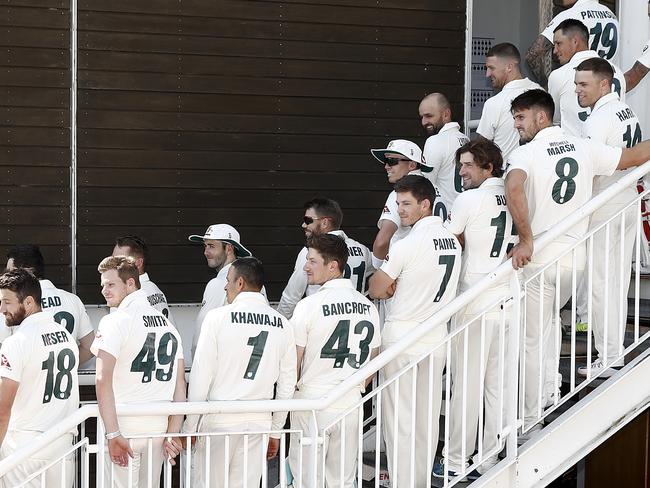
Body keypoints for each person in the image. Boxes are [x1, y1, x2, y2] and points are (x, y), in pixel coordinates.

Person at [505, 89, 650, 430]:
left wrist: (525, 239)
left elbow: (513, 189)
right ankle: (548, 391)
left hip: (540, 260)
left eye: (521, 118)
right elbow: (632, 156)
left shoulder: (526, 153)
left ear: (542, 117)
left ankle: (530, 418)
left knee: (531, 339)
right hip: (574, 260)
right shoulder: (581, 146)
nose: (516, 125)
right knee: (550, 324)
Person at [369, 175, 462, 487]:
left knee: (400, 423)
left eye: (406, 204)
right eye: (397, 204)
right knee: (426, 420)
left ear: (426, 204)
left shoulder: (407, 243)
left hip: (403, 339)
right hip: (435, 339)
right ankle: (419, 482)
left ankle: (403, 483)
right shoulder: (452, 239)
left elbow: (377, 288)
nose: (401, 210)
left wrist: (392, 283)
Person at [434, 140, 515, 479]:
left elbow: (448, 245)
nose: (461, 172)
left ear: (488, 167)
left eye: (468, 165)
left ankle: (454, 460)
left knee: (465, 386)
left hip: (476, 298)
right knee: (497, 385)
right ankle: (493, 454)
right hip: (508, 296)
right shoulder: (513, 194)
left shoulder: (469, 199)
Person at [183, 257, 296, 488]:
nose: (225, 286)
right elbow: (287, 383)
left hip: (220, 419)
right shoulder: (282, 323)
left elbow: (200, 377)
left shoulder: (217, 317)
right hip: (259, 421)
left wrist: (190, 426)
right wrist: (275, 431)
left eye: (228, 280)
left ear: (240, 283)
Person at [288, 234, 380, 487]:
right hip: (350, 402)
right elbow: (374, 359)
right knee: (343, 480)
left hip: (312, 402)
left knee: (307, 480)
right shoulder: (368, 306)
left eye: (312, 261)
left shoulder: (308, 305)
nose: (306, 266)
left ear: (333, 265)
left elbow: (293, 364)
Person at [573, 58, 642, 377]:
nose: (577, 90)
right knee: (617, 281)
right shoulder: (626, 110)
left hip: (607, 201)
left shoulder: (599, 118)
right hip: (628, 198)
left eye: (584, 84)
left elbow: (593, 167)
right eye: (576, 84)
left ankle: (608, 355)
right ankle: (614, 351)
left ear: (605, 84)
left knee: (602, 283)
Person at [92, 256, 185, 487]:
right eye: (103, 285)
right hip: (158, 430)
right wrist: (172, 433)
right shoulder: (170, 327)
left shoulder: (115, 321)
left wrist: (112, 434)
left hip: (124, 428)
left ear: (131, 283)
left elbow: (102, 378)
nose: (104, 290)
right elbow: (180, 385)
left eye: (111, 284)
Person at [0, 268, 79, 487]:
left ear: (28, 303)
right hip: (62, 443)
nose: (1, 309)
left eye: (7, 302)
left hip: (24, 446)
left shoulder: (16, 342)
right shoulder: (66, 337)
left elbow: (2, 410)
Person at [277, 198, 373, 319]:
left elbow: (291, 297)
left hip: (323, 319)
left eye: (308, 220)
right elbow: (376, 274)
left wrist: (280, 324)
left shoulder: (311, 251)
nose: (303, 225)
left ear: (325, 223)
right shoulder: (362, 250)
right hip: (356, 318)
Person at [6, 244, 95, 365]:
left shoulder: (12, 304)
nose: (6, 277)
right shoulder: (73, 300)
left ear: (27, 272)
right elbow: (90, 347)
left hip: (27, 381)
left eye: (10, 272)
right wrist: (64, 368)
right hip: (65, 381)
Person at [370, 139, 447, 267]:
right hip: (437, 265)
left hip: (409, 268)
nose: (386, 166)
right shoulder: (436, 189)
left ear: (412, 165)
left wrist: (378, 269)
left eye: (392, 161)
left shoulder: (401, 193)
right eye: (386, 161)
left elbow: (382, 242)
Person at [548, 19, 626, 138]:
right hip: (614, 147)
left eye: (558, 44)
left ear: (575, 42)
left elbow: (554, 120)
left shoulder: (558, 75)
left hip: (581, 151)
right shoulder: (617, 71)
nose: (555, 51)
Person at [188, 223, 252, 356]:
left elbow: (201, 334)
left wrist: (196, 367)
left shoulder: (217, 283)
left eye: (211, 246)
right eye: (205, 246)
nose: (205, 252)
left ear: (229, 248)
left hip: (223, 367)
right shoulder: (255, 280)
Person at [525, 0, 619, 87]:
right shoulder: (612, 16)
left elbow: (533, 54)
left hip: (575, 84)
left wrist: (547, 86)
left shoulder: (570, 14)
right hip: (606, 83)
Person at [477, 43, 541, 161]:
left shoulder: (494, 103)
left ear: (509, 67)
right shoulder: (541, 93)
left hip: (506, 176)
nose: (487, 74)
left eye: (491, 68)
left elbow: (480, 150)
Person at [419, 93, 470, 207]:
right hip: (464, 212)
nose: (423, 122)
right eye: (422, 117)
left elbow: (425, 184)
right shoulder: (465, 139)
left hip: (445, 216)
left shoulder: (434, 141)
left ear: (446, 114)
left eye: (429, 116)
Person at [112, 235, 174, 321]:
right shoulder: (155, 290)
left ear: (138, 263)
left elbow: (117, 332)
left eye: (120, 260)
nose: (113, 265)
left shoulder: (126, 294)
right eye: (112, 259)